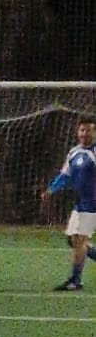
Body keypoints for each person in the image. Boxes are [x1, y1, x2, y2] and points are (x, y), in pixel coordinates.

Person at [44, 113, 96, 292]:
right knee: (73, 240)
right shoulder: (74, 152)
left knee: (80, 240)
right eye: (82, 130)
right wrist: (51, 189)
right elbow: (65, 175)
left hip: (92, 204)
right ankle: (75, 279)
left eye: (89, 131)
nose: (85, 134)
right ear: (77, 131)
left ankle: (75, 280)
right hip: (79, 203)